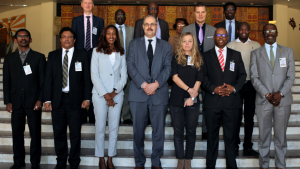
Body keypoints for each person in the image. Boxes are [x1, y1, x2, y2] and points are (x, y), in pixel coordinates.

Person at [127, 15, 172, 169]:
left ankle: (155, 161)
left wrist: (156, 84)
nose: (150, 26)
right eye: (147, 24)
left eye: (153, 24)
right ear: (143, 27)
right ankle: (139, 162)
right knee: (137, 132)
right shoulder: (133, 44)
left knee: (158, 131)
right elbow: (130, 67)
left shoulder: (166, 46)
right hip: (138, 94)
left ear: (157, 27)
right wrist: (144, 84)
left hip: (159, 95)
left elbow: (168, 68)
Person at [44, 27, 92, 169]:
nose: (67, 39)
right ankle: (61, 161)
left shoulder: (82, 55)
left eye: (70, 37)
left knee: (75, 134)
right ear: (60, 39)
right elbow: (48, 79)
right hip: (57, 101)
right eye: (64, 36)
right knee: (59, 133)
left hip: (76, 101)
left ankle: (74, 162)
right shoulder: (52, 55)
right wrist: (47, 100)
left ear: (74, 40)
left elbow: (86, 79)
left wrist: (87, 98)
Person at [250, 24, 295, 169]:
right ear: (263, 34)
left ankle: (280, 165)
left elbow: (291, 75)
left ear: (277, 32)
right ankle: (264, 165)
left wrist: (280, 93)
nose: (270, 33)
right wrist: (267, 94)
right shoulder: (256, 53)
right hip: (264, 100)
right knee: (263, 136)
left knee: (280, 137)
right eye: (267, 31)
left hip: (283, 100)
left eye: (272, 31)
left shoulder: (287, 51)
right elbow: (254, 77)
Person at [202, 28, 246, 169]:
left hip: (232, 103)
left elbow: (242, 76)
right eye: (218, 35)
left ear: (227, 37)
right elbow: (202, 77)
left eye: (223, 35)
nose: (221, 37)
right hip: (212, 102)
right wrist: (212, 88)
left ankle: (231, 166)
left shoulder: (236, 55)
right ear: (214, 37)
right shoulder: (205, 56)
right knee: (212, 137)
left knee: (231, 137)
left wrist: (233, 88)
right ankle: (210, 166)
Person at [3, 29, 46, 169]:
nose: (23, 38)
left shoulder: (39, 57)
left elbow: (42, 81)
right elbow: (6, 81)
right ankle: (18, 162)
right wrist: (7, 101)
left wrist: (40, 100)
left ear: (30, 39)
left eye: (25, 36)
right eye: (20, 36)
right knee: (17, 134)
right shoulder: (9, 58)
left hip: (33, 102)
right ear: (16, 40)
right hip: (15, 103)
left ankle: (35, 163)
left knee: (35, 134)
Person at [91, 25, 128, 169]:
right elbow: (94, 74)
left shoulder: (121, 52)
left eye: (114, 34)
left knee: (114, 128)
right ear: (104, 35)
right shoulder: (96, 51)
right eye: (108, 33)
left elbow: (124, 76)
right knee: (100, 127)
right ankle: (101, 158)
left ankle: (110, 157)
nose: (111, 36)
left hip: (117, 95)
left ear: (116, 37)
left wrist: (114, 92)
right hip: (100, 95)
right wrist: (106, 95)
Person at [181, 2, 216, 139]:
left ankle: (206, 130)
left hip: (208, 72)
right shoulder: (186, 29)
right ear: (193, 13)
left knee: (208, 103)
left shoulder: (213, 31)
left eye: (203, 12)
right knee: (188, 101)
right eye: (198, 12)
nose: (200, 14)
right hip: (190, 71)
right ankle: (188, 130)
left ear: (206, 13)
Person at [169, 32, 203, 169]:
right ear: (180, 43)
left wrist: (192, 97)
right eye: (184, 41)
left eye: (190, 41)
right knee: (178, 131)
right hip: (176, 99)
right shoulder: (176, 58)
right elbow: (175, 78)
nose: (187, 44)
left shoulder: (199, 59)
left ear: (193, 43)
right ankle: (180, 160)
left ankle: (188, 161)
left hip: (192, 101)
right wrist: (189, 90)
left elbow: (199, 79)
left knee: (191, 131)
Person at [227, 22, 261, 157]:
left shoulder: (257, 45)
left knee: (249, 117)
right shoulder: (231, 45)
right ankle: (234, 145)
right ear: (237, 31)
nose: (243, 31)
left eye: (246, 29)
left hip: (251, 85)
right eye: (241, 29)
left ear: (250, 31)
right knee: (235, 117)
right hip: (236, 85)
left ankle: (248, 146)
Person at [71, 0, 104, 124]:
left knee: (94, 82)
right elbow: (73, 38)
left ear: (93, 5)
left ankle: (93, 114)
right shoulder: (76, 20)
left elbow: (101, 39)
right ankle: (83, 112)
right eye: (85, 2)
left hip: (95, 54)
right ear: (81, 5)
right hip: (80, 54)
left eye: (90, 3)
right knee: (81, 82)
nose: (88, 5)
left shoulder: (99, 21)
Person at [114, 9, 134, 124]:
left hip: (128, 65)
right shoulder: (110, 30)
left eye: (122, 15)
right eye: (118, 15)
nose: (120, 17)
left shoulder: (132, 30)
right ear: (115, 17)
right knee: (114, 89)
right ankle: (114, 115)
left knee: (127, 90)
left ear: (125, 17)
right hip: (114, 66)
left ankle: (126, 116)